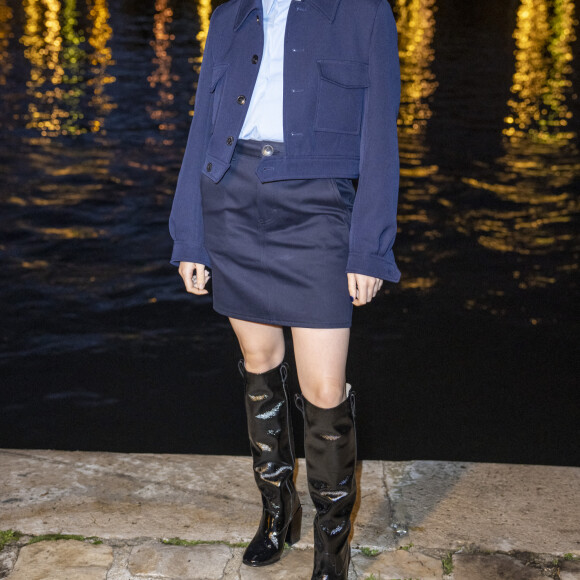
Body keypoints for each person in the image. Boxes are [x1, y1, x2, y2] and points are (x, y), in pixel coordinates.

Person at [168, 0, 401, 576]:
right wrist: (189, 236)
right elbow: (203, 124)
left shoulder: (363, 12)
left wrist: (368, 245)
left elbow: (380, 132)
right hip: (231, 199)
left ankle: (332, 544)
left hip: (319, 206)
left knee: (323, 388)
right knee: (258, 362)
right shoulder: (230, 16)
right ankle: (278, 514)